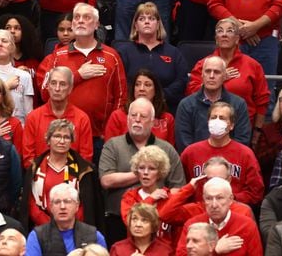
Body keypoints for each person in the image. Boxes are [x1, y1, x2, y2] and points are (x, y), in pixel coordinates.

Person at [99, 97, 185, 246]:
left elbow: (178, 188)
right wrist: (144, 173)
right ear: (127, 119)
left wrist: (159, 200)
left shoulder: (167, 149)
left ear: (152, 122)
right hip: (118, 221)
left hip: (157, 222)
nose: (137, 120)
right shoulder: (113, 145)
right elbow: (106, 180)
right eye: (133, 115)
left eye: (143, 116)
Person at [36, 3, 127, 142]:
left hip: (100, 135)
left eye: (86, 17)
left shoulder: (112, 55)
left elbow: (121, 97)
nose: (80, 20)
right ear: (72, 24)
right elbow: (44, 93)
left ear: (97, 24)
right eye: (77, 17)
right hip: (63, 134)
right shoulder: (58, 55)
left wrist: (111, 128)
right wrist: (77, 75)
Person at [179, 101, 264, 206]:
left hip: (233, 211)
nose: (217, 121)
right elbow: (180, 187)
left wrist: (229, 199)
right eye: (214, 117)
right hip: (199, 212)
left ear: (232, 125)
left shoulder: (245, 154)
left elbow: (256, 192)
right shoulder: (190, 152)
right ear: (208, 122)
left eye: (222, 118)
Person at [26, 119, 100, 227]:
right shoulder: (35, 168)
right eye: (57, 136)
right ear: (48, 140)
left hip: (74, 228)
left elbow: (87, 205)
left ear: (71, 141)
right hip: (42, 228)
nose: (62, 141)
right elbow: (30, 202)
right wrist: (48, 225)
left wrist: (68, 223)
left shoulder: (84, 170)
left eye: (66, 137)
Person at [173, 178, 261, 256]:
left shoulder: (247, 226)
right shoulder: (192, 224)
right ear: (203, 199)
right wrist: (215, 251)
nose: (214, 205)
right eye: (209, 198)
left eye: (219, 198)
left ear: (230, 200)